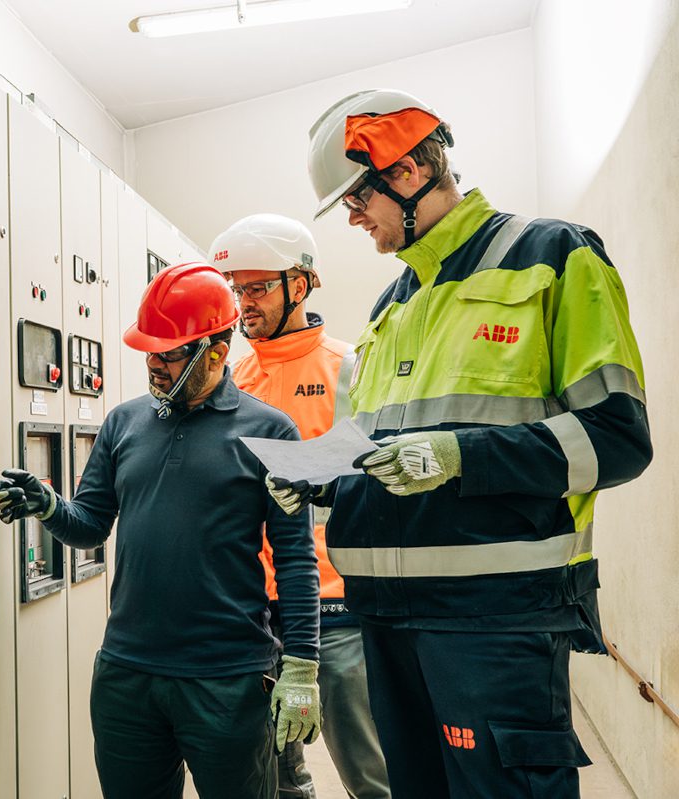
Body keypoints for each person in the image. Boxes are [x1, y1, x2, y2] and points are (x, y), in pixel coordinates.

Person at [265, 88, 652, 798]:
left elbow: (618, 436)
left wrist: (459, 456)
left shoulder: (553, 257)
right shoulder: (394, 305)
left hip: (492, 623)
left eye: (357, 197)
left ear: (408, 172)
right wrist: (321, 477)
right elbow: (381, 451)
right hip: (384, 621)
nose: (352, 217)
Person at [0, 262, 321, 799]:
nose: (154, 364)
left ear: (216, 350)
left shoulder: (271, 430)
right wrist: (46, 505)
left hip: (227, 679)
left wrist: (302, 667)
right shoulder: (123, 422)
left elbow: (296, 560)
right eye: (149, 351)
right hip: (127, 673)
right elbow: (91, 526)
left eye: (170, 352)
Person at [212, 213, 391, 799]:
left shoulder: (350, 368)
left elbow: (380, 482)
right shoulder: (233, 380)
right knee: (277, 776)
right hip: (252, 610)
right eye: (238, 290)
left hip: (335, 606)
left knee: (373, 773)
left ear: (302, 283)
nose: (245, 304)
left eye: (258, 287)